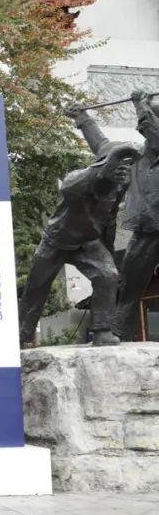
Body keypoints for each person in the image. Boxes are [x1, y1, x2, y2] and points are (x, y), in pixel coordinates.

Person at [18, 106, 136, 346]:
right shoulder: (81, 180)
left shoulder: (119, 183)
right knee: (36, 289)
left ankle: (102, 330)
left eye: (126, 169)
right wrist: (102, 168)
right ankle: (20, 335)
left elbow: (99, 140)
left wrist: (81, 117)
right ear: (104, 166)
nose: (123, 174)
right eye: (118, 169)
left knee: (108, 275)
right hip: (56, 241)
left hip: (88, 243)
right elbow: (68, 187)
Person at [112, 91, 159, 339]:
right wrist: (82, 120)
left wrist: (141, 106)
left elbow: (155, 134)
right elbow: (102, 147)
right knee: (130, 281)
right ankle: (119, 331)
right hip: (148, 227)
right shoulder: (139, 157)